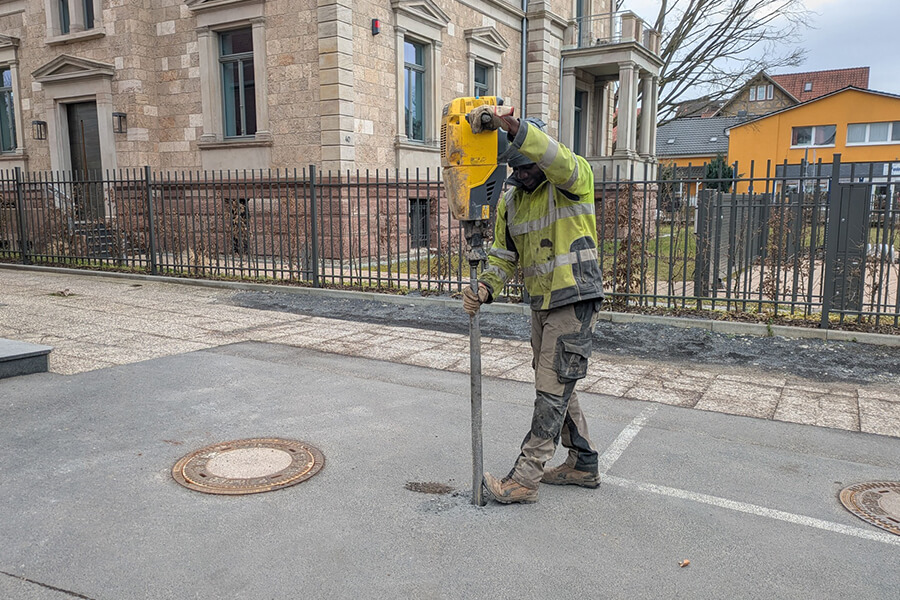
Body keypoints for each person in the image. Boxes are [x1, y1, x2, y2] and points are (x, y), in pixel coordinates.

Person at [463, 106, 605, 504]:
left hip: (575, 296)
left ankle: (525, 478)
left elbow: (556, 159)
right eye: (516, 170)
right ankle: (583, 462)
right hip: (541, 303)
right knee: (558, 383)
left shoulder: (571, 181)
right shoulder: (512, 202)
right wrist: (485, 289)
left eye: (526, 168)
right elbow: (504, 257)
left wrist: (516, 128)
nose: (521, 175)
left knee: (551, 387)